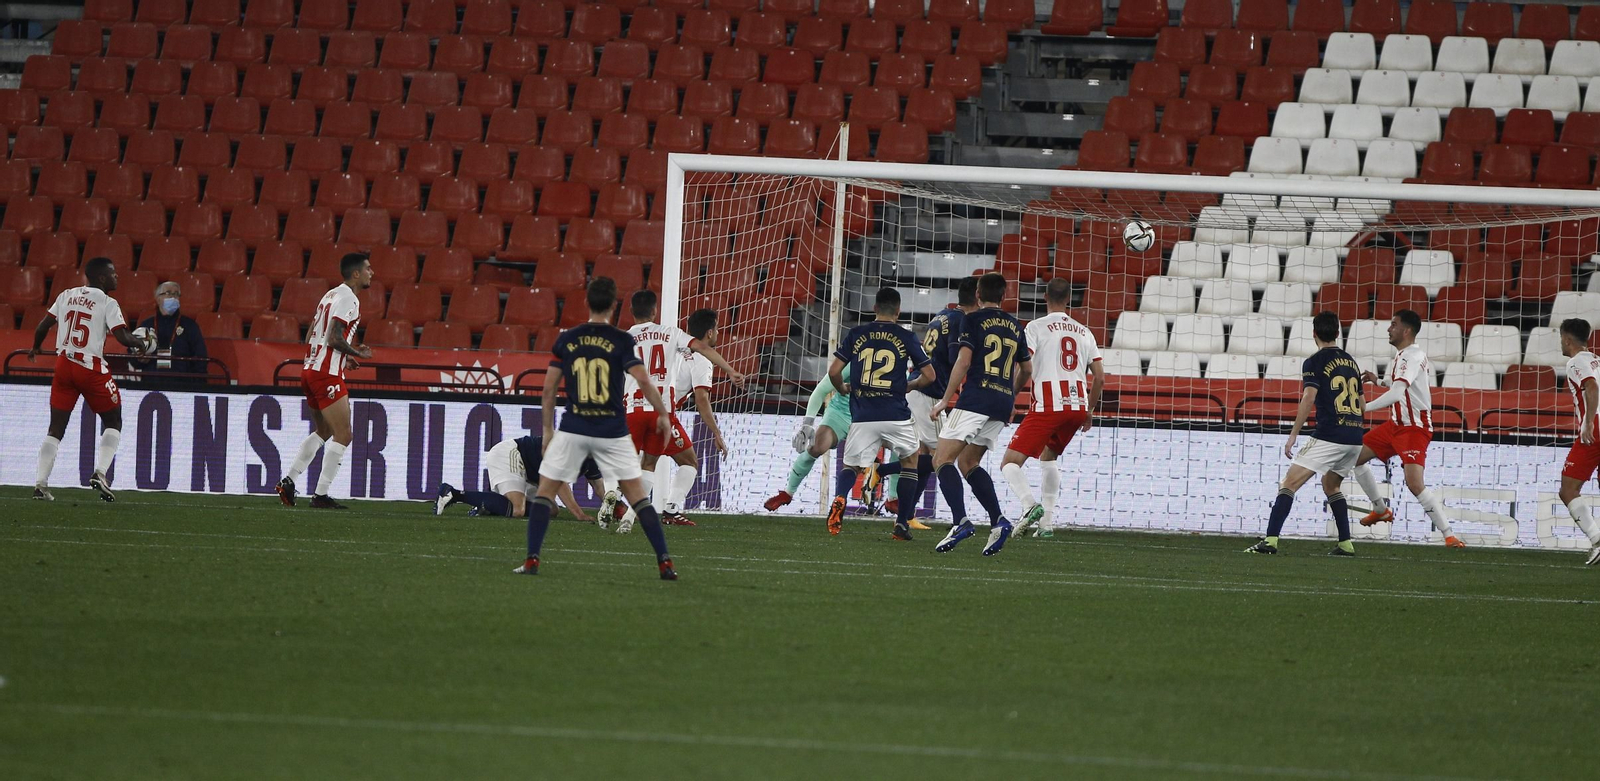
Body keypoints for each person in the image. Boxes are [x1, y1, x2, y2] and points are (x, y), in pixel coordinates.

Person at [516, 278, 680, 580]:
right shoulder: (621, 340)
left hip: (574, 427)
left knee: (544, 493)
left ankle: (532, 560)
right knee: (638, 496)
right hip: (612, 430)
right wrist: (662, 413)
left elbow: (549, 389)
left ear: (587, 303)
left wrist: (548, 430)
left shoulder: (568, 339)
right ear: (614, 305)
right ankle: (665, 562)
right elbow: (644, 380)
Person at [597, 291, 746, 530]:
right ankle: (633, 517)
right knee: (652, 464)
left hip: (633, 408)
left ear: (631, 312)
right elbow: (702, 375)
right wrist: (730, 370)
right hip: (662, 413)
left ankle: (612, 493)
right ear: (655, 311)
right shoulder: (672, 334)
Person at [28, 257, 150, 502]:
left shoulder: (66, 295)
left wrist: (35, 348)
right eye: (113, 273)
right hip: (89, 366)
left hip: (63, 365)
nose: (117, 276)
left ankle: (40, 484)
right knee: (113, 419)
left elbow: (43, 326)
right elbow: (123, 337)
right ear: (102, 277)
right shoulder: (107, 302)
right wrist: (141, 343)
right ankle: (100, 473)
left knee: (56, 428)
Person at [1244, 311, 1365, 556]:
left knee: (1289, 483)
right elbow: (1362, 406)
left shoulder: (1314, 362)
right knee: (1331, 484)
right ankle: (1345, 544)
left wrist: (1293, 435)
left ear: (1314, 334)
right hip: (1355, 437)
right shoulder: (1351, 362)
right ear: (1338, 333)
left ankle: (1270, 542)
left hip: (1330, 434)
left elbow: (1309, 396)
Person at [931, 272, 1032, 556]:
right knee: (968, 461)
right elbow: (1026, 370)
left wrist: (943, 401)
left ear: (978, 294)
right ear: (1003, 296)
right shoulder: (1015, 325)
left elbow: (963, 362)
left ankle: (960, 521)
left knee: (942, 458)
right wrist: (1010, 396)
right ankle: (998, 521)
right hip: (1000, 403)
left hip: (976, 398)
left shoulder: (971, 319)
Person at [824, 286, 935, 540]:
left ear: (874, 309)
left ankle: (840, 498)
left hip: (864, 415)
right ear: (898, 311)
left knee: (850, 465)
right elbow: (930, 375)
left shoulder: (857, 333)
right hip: (895, 413)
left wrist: (843, 388)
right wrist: (912, 384)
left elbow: (833, 373)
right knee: (910, 462)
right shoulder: (905, 336)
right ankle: (901, 524)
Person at [1348, 309, 1464, 548]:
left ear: (1406, 330)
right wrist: (1378, 380)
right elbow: (1401, 385)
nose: (1389, 329)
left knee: (1414, 484)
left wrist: (1364, 409)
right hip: (1394, 425)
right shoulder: (1402, 356)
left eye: (1393, 324)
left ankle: (1449, 534)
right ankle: (1380, 510)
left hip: (1414, 428)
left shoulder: (1411, 356)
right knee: (1355, 457)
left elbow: (1398, 392)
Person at [1000, 278, 1103, 539]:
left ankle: (1028, 505)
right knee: (1049, 457)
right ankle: (1046, 525)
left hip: (1049, 405)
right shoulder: (1084, 331)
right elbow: (1100, 377)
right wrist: (1089, 410)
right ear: (1069, 299)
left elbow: (1026, 366)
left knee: (1009, 463)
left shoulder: (1034, 328)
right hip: (1078, 405)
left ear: (1044, 297)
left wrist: (1010, 397)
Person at [274, 253, 374, 510]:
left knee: (325, 431)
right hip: (325, 374)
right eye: (368, 269)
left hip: (310, 370)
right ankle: (320, 495)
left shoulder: (330, 295)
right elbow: (334, 338)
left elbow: (312, 334)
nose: (371, 273)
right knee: (344, 434)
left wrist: (341, 358)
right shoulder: (350, 299)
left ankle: (289, 480)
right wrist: (356, 352)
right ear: (356, 274)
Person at [902, 276, 979, 517]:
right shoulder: (961, 322)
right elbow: (959, 360)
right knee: (943, 458)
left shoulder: (941, 314)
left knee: (926, 455)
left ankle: (906, 515)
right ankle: (881, 471)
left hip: (919, 388)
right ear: (977, 297)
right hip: (929, 395)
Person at [655, 308, 731, 522]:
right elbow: (702, 400)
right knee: (689, 462)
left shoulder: (676, 345)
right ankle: (669, 510)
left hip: (638, 404)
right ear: (709, 333)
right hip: (662, 413)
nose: (717, 333)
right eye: (716, 329)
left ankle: (616, 501)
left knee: (642, 462)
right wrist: (716, 433)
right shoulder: (703, 360)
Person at [435, 434, 597, 523]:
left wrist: (618, 509)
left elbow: (599, 486)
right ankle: (454, 494)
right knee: (518, 510)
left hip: (532, 474)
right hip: (512, 454)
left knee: (550, 510)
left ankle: (490, 506)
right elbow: (559, 483)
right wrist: (579, 514)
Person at [1554, 318, 1600, 565]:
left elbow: (1591, 388)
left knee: (1568, 489)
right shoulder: (1596, 360)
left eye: (1561, 338)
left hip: (1596, 432)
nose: (1561, 342)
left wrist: (1589, 422)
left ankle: (1597, 540)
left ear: (1567, 339)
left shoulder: (1576, 362)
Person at [136, 281, 207, 378]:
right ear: (158, 299)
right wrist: (140, 359)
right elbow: (133, 356)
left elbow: (201, 358)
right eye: (168, 293)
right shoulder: (147, 325)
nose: (173, 297)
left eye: (176, 294)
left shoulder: (190, 326)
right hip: (152, 382)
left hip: (181, 383)